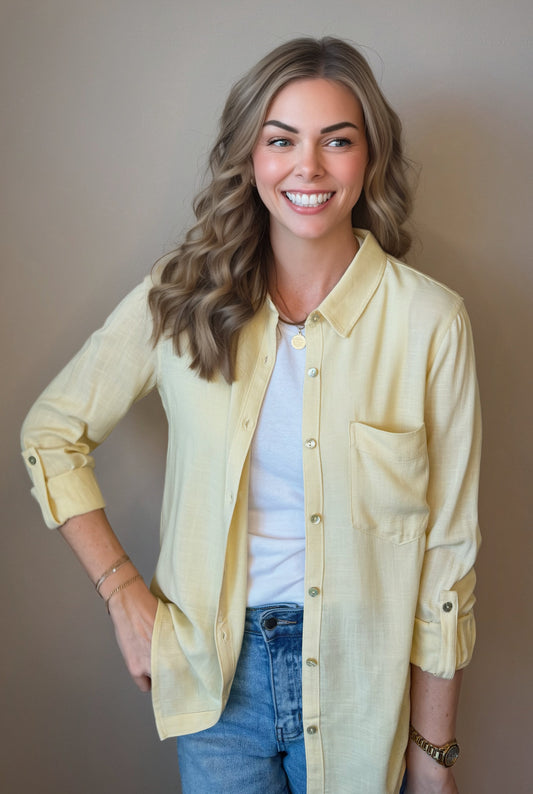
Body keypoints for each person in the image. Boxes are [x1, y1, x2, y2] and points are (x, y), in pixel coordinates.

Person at [21, 36, 481, 794]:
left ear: (369, 158)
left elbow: (447, 560)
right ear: (250, 156)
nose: (308, 167)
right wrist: (122, 594)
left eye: (337, 140)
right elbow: (52, 434)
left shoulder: (431, 323)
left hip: (361, 691)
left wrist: (432, 756)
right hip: (212, 683)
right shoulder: (180, 296)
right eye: (281, 140)